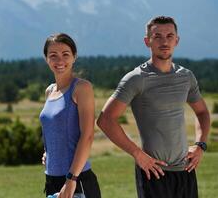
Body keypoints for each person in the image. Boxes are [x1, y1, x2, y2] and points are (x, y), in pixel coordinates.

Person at [97, 16, 210, 198]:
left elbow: (203, 112)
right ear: (147, 41)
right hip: (154, 173)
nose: (164, 41)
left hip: (186, 171)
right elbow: (105, 120)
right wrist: (138, 155)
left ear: (177, 40)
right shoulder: (136, 78)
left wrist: (200, 145)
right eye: (157, 36)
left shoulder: (186, 76)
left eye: (169, 36)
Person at [39, 33, 101, 198]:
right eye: (53, 55)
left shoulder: (81, 88)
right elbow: (53, 129)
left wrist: (71, 179)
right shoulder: (49, 91)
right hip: (52, 179)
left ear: (74, 57)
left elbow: (87, 136)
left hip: (76, 180)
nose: (60, 61)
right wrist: (49, 152)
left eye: (65, 54)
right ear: (46, 59)